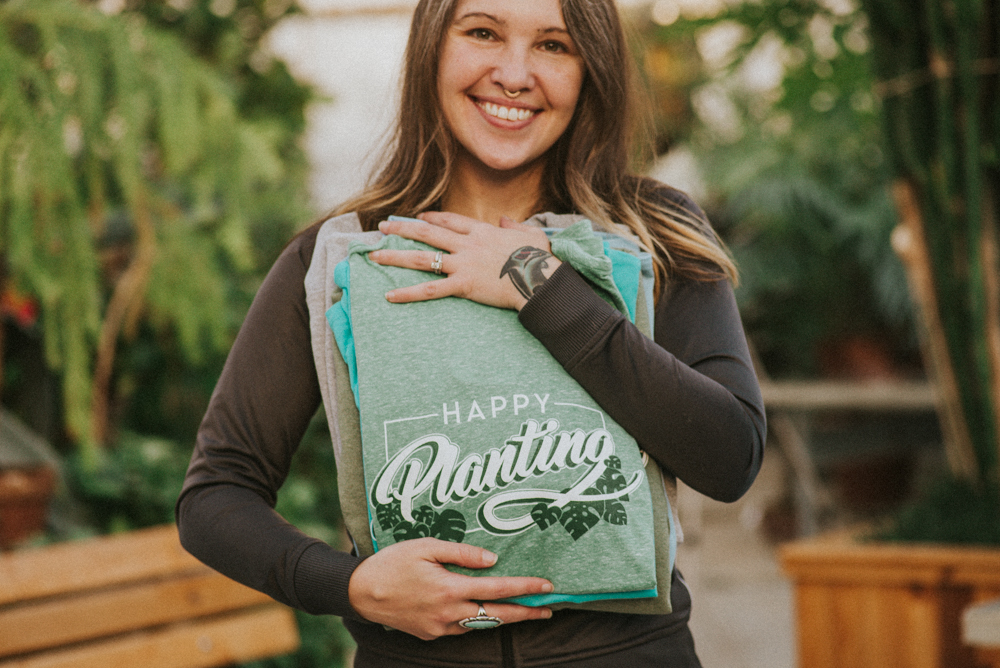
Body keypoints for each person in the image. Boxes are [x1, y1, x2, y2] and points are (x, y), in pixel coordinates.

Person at [176, 0, 766, 665]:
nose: (514, 74)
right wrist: (351, 586)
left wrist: (538, 285)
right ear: (433, 47)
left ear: (591, 70)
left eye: (554, 46)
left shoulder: (649, 235)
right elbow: (215, 496)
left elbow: (729, 455)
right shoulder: (342, 259)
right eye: (483, 32)